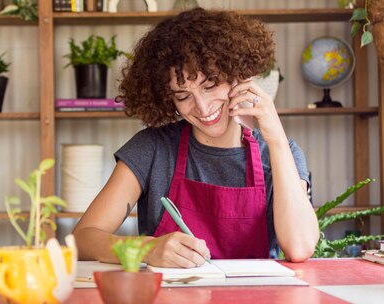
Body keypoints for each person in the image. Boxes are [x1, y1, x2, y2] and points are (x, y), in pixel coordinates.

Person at [72, 8, 319, 268]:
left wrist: (276, 137)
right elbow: (82, 239)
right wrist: (145, 249)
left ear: (237, 74)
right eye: (183, 96)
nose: (201, 107)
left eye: (210, 85)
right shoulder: (152, 149)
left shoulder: (280, 153)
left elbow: (299, 247)